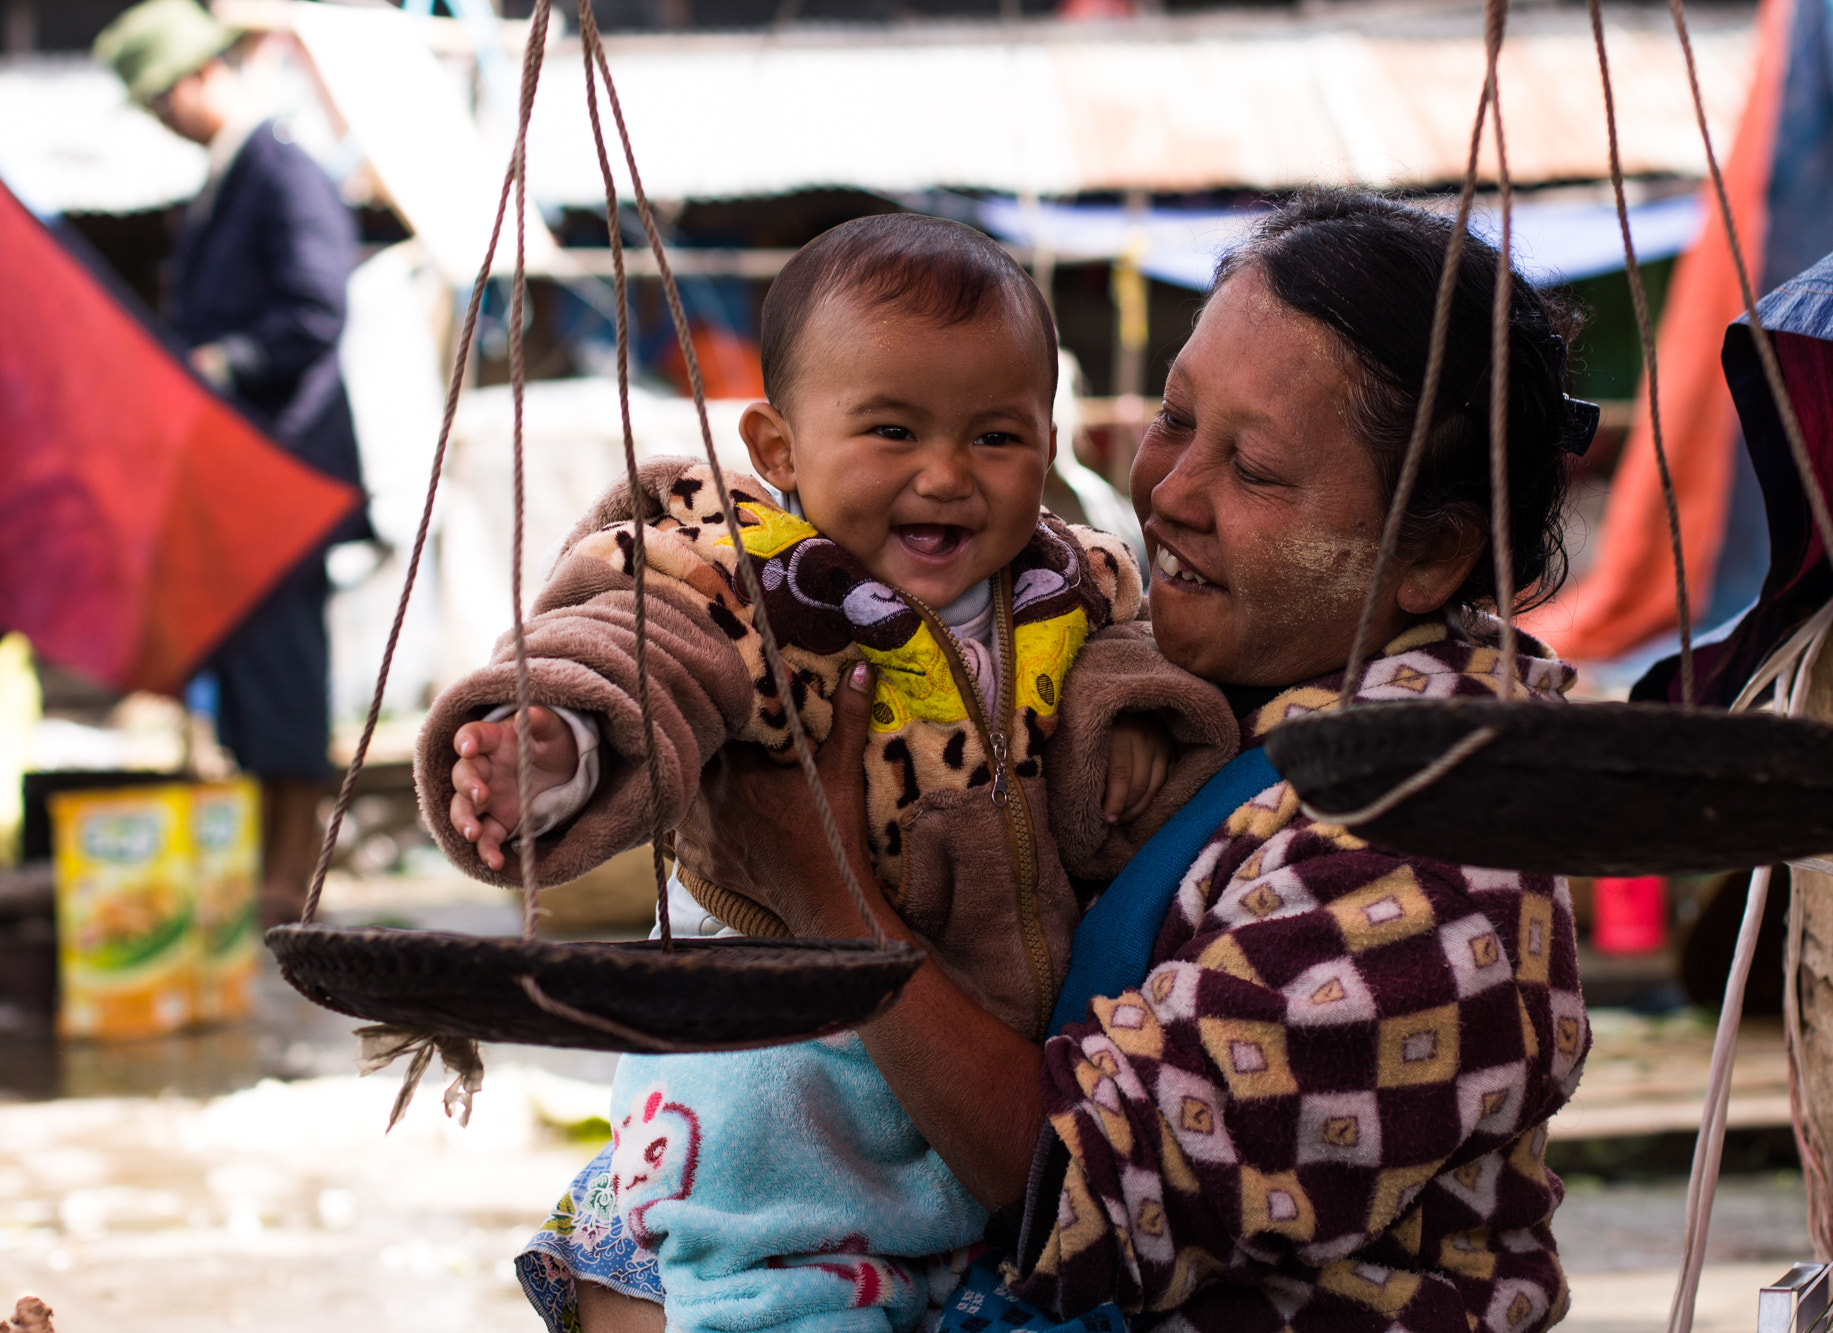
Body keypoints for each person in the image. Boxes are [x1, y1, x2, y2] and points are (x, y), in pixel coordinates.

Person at [603, 189, 1598, 1333]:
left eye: (1255, 471)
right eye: (1173, 419)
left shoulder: (1432, 853)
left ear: (1425, 556)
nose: (1169, 494)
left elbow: (1073, 1188)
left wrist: (827, 899)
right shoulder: (1165, 679)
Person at [413, 215, 1241, 1333]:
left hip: (971, 1042)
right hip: (775, 1063)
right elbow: (639, 661)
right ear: (778, 448)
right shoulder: (738, 580)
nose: (944, 477)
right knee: (776, 1286)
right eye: (891, 431)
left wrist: (1142, 728)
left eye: (994, 437)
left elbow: (1122, 671)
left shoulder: (1067, 589)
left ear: (1045, 446)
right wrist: (556, 745)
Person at [94, 0, 370, 923]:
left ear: (200, 76)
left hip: (282, 474)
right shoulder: (229, 177)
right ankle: (269, 872)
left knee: (284, 676)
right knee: (254, 683)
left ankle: (294, 878)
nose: (164, 121)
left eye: (162, 101)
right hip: (241, 480)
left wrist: (209, 363)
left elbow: (314, 314)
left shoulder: (280, 170)